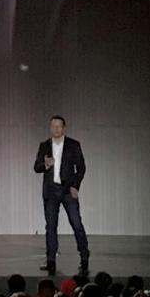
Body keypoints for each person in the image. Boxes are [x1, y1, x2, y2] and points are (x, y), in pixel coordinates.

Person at [33, 115, 89, 276]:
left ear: (64, 128)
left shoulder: (73, 145)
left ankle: (84, 255)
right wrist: (45, 164)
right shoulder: (44, 145)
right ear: (50, 128)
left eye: (59, 126)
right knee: (50, 227)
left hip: (67, 190)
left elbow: (82, 168)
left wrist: (75, 186)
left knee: (76, 224)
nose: (56, 129)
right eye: (53, 126)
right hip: (51, 192)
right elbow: (36, 167)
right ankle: (51, 260)